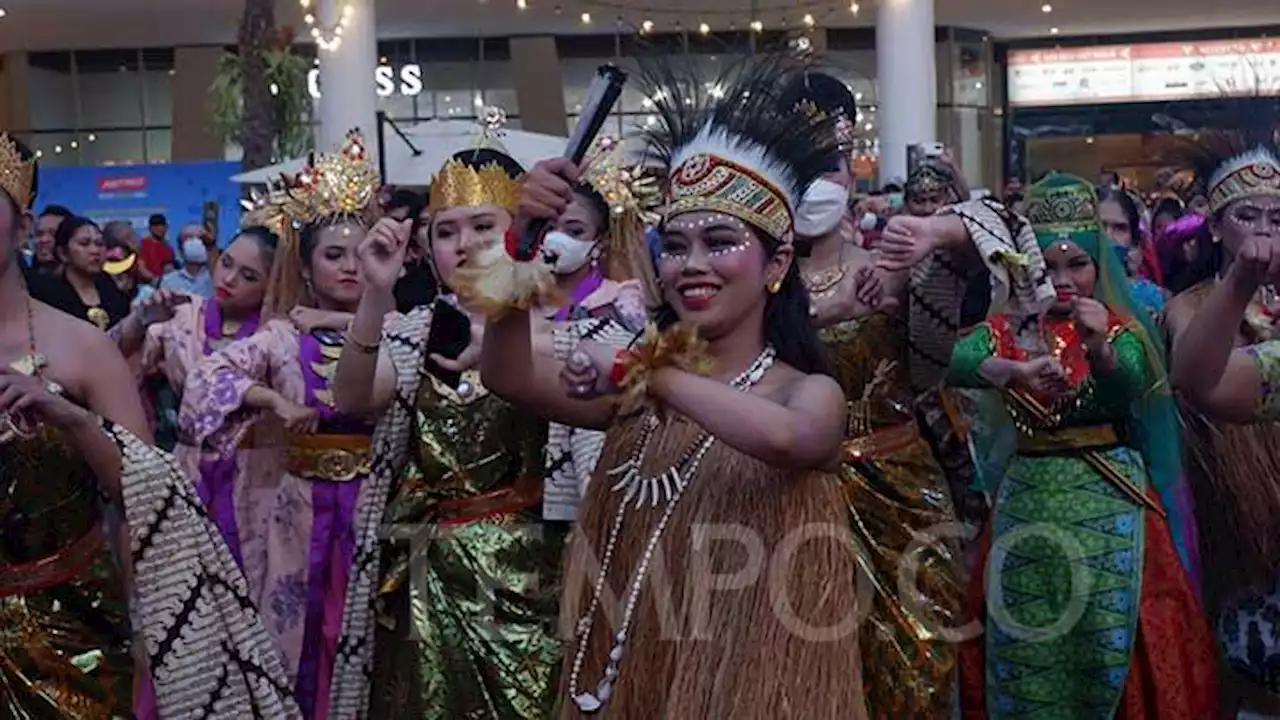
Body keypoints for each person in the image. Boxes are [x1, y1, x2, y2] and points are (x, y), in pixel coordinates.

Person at [472, 55, 865, 718]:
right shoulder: (641, 392)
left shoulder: (805, 393)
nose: (693, 265)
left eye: (719, 241)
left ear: (777, 262)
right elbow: (505, 374)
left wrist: (645, 371)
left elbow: (786, 437)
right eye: (676, 246)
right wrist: (517, 250)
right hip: (635, 680)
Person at [0, 132, 297, 717]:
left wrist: (71, 417)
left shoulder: (81, 347)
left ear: (22, 227)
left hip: (72, 628)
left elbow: (149, 490)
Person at [949, 174, 1216, 719]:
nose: (1065, 279)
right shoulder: (1005, 328)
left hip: (1113, 501)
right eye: (1049, 266)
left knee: (1114, 633)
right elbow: (947, 361)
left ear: (1100, 267)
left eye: (1079, 265)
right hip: (1029, 507)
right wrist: (1007, 368)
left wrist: (1103, 349)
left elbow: (1134, 384)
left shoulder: (1118, 323)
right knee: (1029, 641)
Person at [328, 128, 566, 718]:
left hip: (531, 578)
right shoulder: (413, 331)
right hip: (426, 580)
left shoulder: (557, 327)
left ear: (521, 229)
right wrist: (373, 296)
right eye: (446, 230)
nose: (465, 244)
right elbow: (354, 399)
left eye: (484, 226)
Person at [784, 69, 963, 719]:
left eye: (828, 165)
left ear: (852, 171)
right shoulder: (750, 283)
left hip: (901, 493)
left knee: (915, 673)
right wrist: (826, 309)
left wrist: (939, 236)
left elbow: (983, 272)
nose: (816, 184)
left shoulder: (894, 260)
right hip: (795, 498)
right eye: (797, 167)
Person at [181, 132, 379, 719]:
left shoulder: (403, 330)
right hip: (295, 512)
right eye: (332, 255)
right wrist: (273, 399)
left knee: (369, 639)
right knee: (291, 639)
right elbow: (202, 383)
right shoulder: (282, 336)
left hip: (377, 510)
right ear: (308, 268)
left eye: (359, 253)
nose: (348, 266)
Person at [1166, 133, 1280, 717]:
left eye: (1278, 217)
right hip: (1228, 501)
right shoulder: (1192, 305)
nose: (1264, 229)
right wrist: (1239, 287)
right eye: (1247, 214)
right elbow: (1198, 378)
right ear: (1214, 227)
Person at [30, 215, 132, 330]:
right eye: (84, 244)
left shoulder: (115, 292)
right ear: (63, 253)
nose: (95, 251)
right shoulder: (45, 296)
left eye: (99, 244)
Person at [1097, 186, 1167, 318]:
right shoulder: (1067, 289)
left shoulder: (1150, 297)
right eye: (1100, 226)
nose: (1108, 236)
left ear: (1132, 239)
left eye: (1120, 228)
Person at [159, 230, 215, 298]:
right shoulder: (168, 281)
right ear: (180, 249)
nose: (196, 242)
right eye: (190, 239)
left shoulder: (214, 279)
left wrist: (211, 243)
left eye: (200, 239)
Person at [28, 203, 70, 277]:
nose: (44, 240)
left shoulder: (90, 283)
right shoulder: (22, 282)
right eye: (39, 234)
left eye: (53, 234)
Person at [139, 213, 175, 281]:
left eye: (162, 225)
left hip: (167, 284)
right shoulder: (144, 244)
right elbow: (141, 267)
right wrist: (154, 281)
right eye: (156, 225)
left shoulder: (169, 248)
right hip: (149, 285)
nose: (160, 228)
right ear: (149, 228)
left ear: (166, 227)